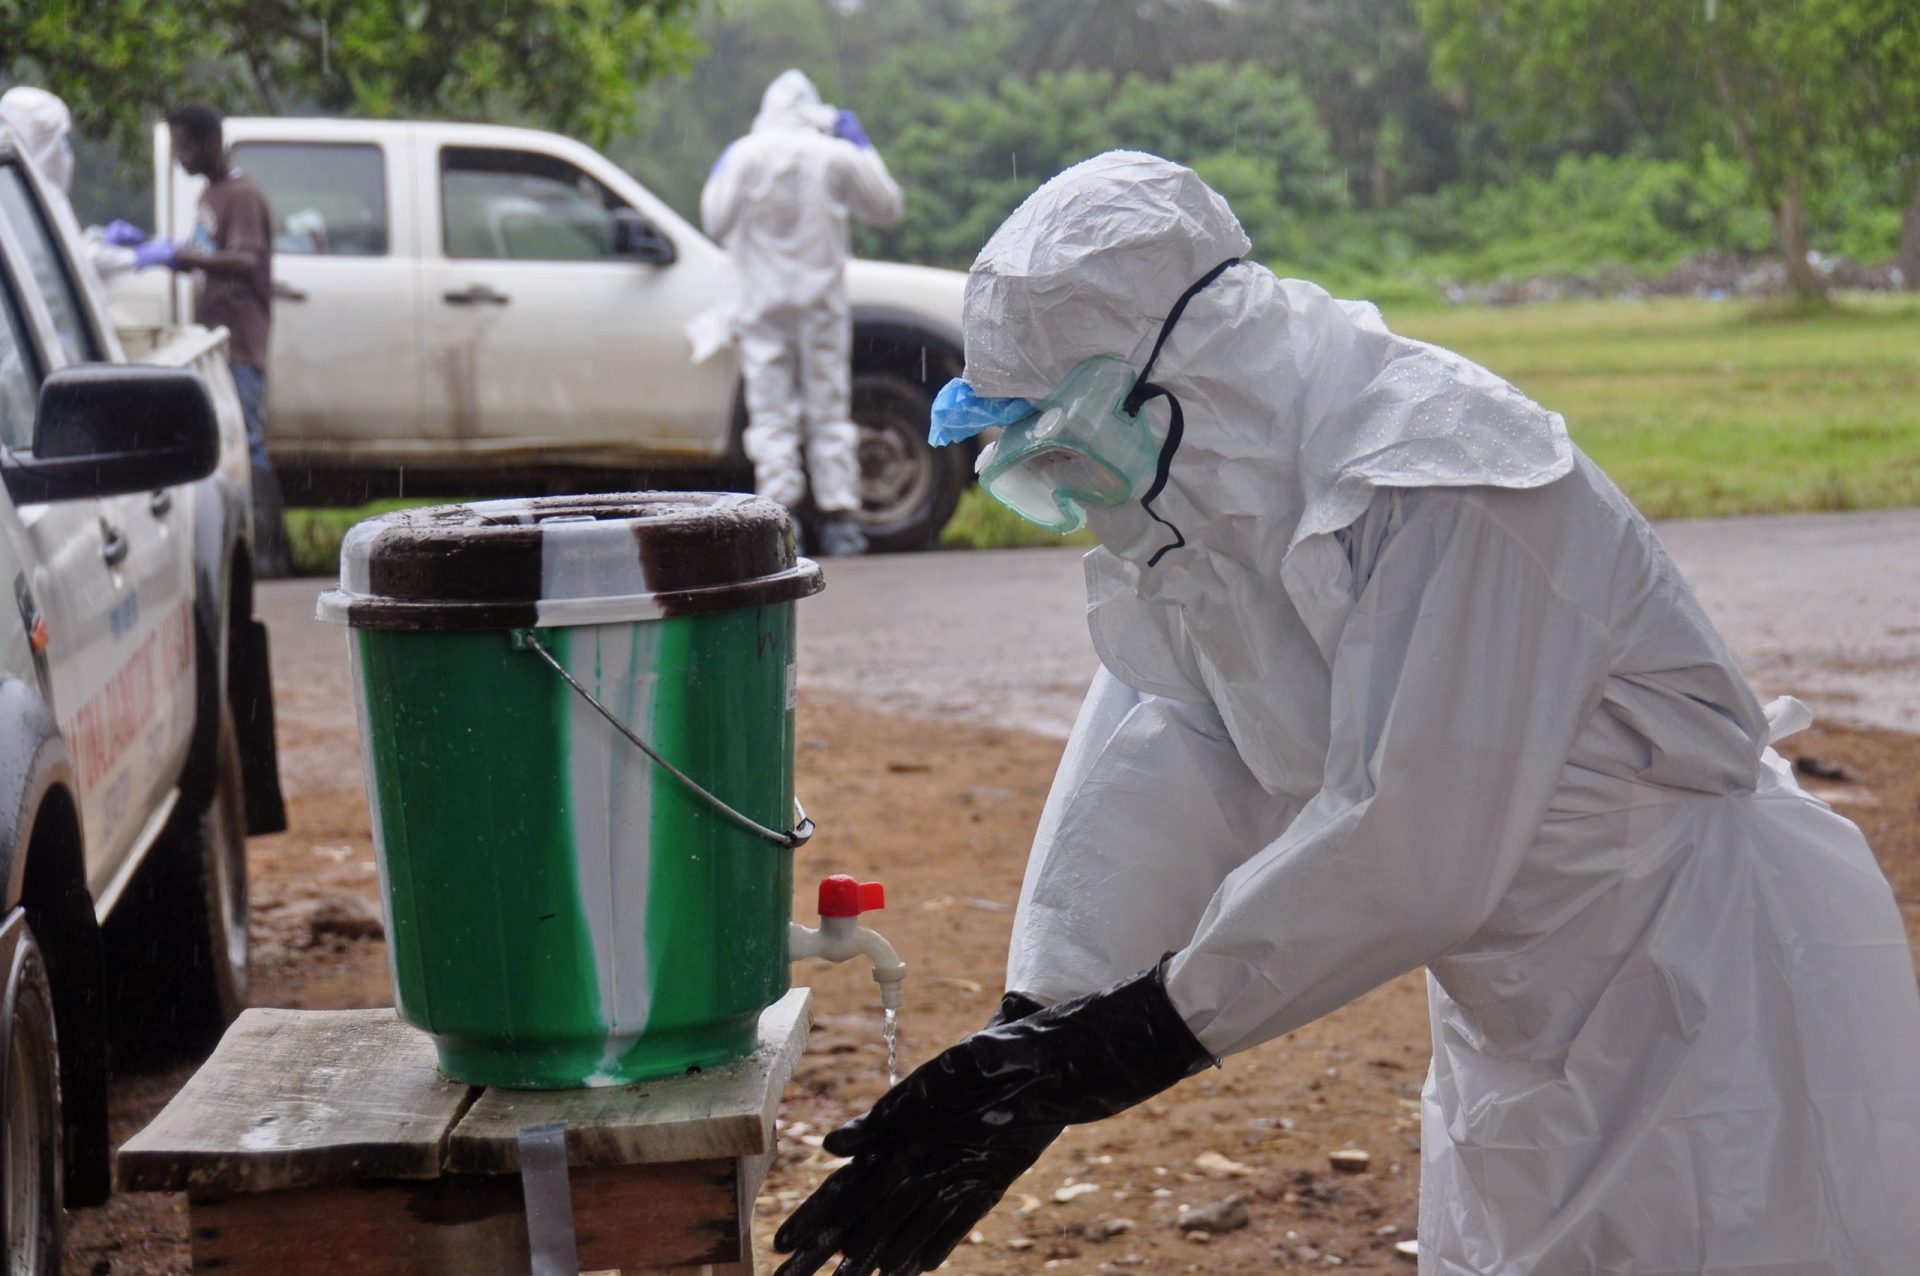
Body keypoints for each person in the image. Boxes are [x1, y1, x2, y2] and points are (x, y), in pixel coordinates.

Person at [773, 152, 1920, 1276]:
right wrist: (1038, 1020)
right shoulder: (1207, 519)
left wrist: (1126, 1041)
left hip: (1709, 995)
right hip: (1523, 1007)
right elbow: (1178, 737)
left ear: (1179, 375)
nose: (1074, 497)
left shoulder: (1450, 477)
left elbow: (1412, 844)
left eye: (1069, 451)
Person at [697, 70, 904, 556]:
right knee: (829, 409)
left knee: (771, 415)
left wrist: (722, 168)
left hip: (762, 305)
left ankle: (782, 518)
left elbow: (714, 221)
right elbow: (887, 207)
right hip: (820, 304)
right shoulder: (833, 155)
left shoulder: (746, 156)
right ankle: (838, 518)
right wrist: (863, 146)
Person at [138, 103, 290, 578]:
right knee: (230, 443)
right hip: (216, 342)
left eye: (184, 147)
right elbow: (204, 254)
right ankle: (249, 551)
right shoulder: (211, 195)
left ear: (208, 141)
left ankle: (270, 556)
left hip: (240, 340)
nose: (181, 158)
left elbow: (245, 260)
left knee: (249, 442)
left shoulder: (241, 197)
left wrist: (182, 255)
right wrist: (157, 252)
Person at [0, 86, 142, 281]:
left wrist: (97, 240)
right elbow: (72, 263)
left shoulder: (41, 194)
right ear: (41, 142)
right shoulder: (20, 198)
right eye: (59, 140)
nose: (65, 152)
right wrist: (138, 257)